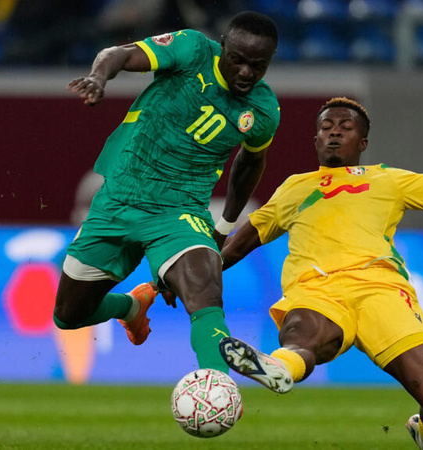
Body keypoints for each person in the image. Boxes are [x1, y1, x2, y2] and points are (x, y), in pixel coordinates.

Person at [217, 45, 423, 450]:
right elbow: (239, 244)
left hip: (381, 292)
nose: (334, 130)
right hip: (317, 290)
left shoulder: (388, 180)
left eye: (345, 127)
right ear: (314, 138)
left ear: (363, 142)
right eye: (326, 126)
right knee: (305, 337)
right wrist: (182, 280)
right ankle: (277, 367)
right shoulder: (295, 188)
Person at [52, 11, 281, 376]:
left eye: (258, 65)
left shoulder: (263, 110)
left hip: (179, 210)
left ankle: (216, 386)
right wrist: (98, 77)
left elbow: (250, 165)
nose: (246, 73)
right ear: (221, 48)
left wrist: (222, 227)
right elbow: (120, 54)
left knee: (204, 290)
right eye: (238, 60)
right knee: (68, 314)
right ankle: (130, 307)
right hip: (120, 196)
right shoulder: (191, 50)